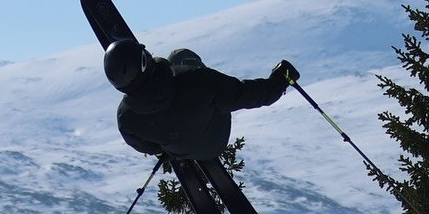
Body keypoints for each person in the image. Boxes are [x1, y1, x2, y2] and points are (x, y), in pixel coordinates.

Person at [104, 39, 297, 161]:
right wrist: (279, 81)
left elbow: (147, 147)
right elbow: (246, 94)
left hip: (179, 151)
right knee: (180, 55)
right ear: (145, 61)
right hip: (215, 140)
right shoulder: (194, 78)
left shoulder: (125, 117)